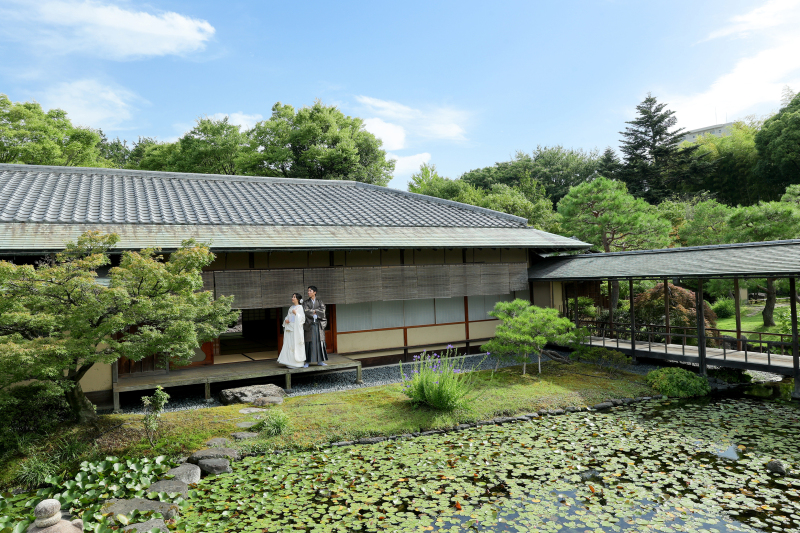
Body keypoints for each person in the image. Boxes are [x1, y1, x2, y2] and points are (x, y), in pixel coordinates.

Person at [277, 293, 306, 368]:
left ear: (298, 299)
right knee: (289, 344)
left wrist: (296, 313)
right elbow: (288, 316)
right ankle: (289, 361)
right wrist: (286, 319)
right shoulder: (291, 307)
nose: (292, 298)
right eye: (292, 297)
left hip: (296, 329)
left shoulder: (300, 308)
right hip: (290, 328)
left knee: (295, 344)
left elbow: (302, 319)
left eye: (294, 297)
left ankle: (297, 363)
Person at [303, 285, 328, 367]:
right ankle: (307, 362)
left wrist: (314, 311)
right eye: (308, 291)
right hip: (310, 325)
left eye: (310, 291)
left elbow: (323, 311)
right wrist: (316, 311)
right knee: (309, 343)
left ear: (315, 292)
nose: (308, 292)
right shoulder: (306, 302)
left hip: (318, 325)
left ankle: (320, 361)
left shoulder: (320, 302)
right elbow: (305, 311)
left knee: (319, 343)